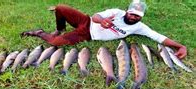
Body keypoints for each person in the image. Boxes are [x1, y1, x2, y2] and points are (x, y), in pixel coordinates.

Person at [21, 1, 187, 59]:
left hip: (86, 34)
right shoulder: (116, 12)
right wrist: (103, 20)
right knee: (61, 8)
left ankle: (40, 32)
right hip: (86, 22)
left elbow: (159, 37)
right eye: (132, 14)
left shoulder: (139, 27)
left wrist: (180, 46)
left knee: (55, 43)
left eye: (137, 16)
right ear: (127, 11)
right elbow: (95, 16)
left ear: (141, 17)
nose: (133, 17)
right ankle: (59, 28)